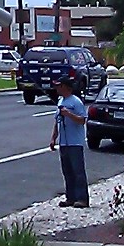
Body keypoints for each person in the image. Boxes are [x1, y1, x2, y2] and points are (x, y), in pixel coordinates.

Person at [49, 76, 89, 207]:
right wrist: (54, 138)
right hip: (64, 143)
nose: (56, 88)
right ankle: (70, 197)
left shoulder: (76, 102)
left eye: (59, 86)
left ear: (65, 87)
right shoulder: (60, 101)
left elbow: (82, 120)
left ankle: (82, 198)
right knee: (67, 171)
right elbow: (57, 121)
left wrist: (69, 114)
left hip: (75, 143)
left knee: (78, 172)